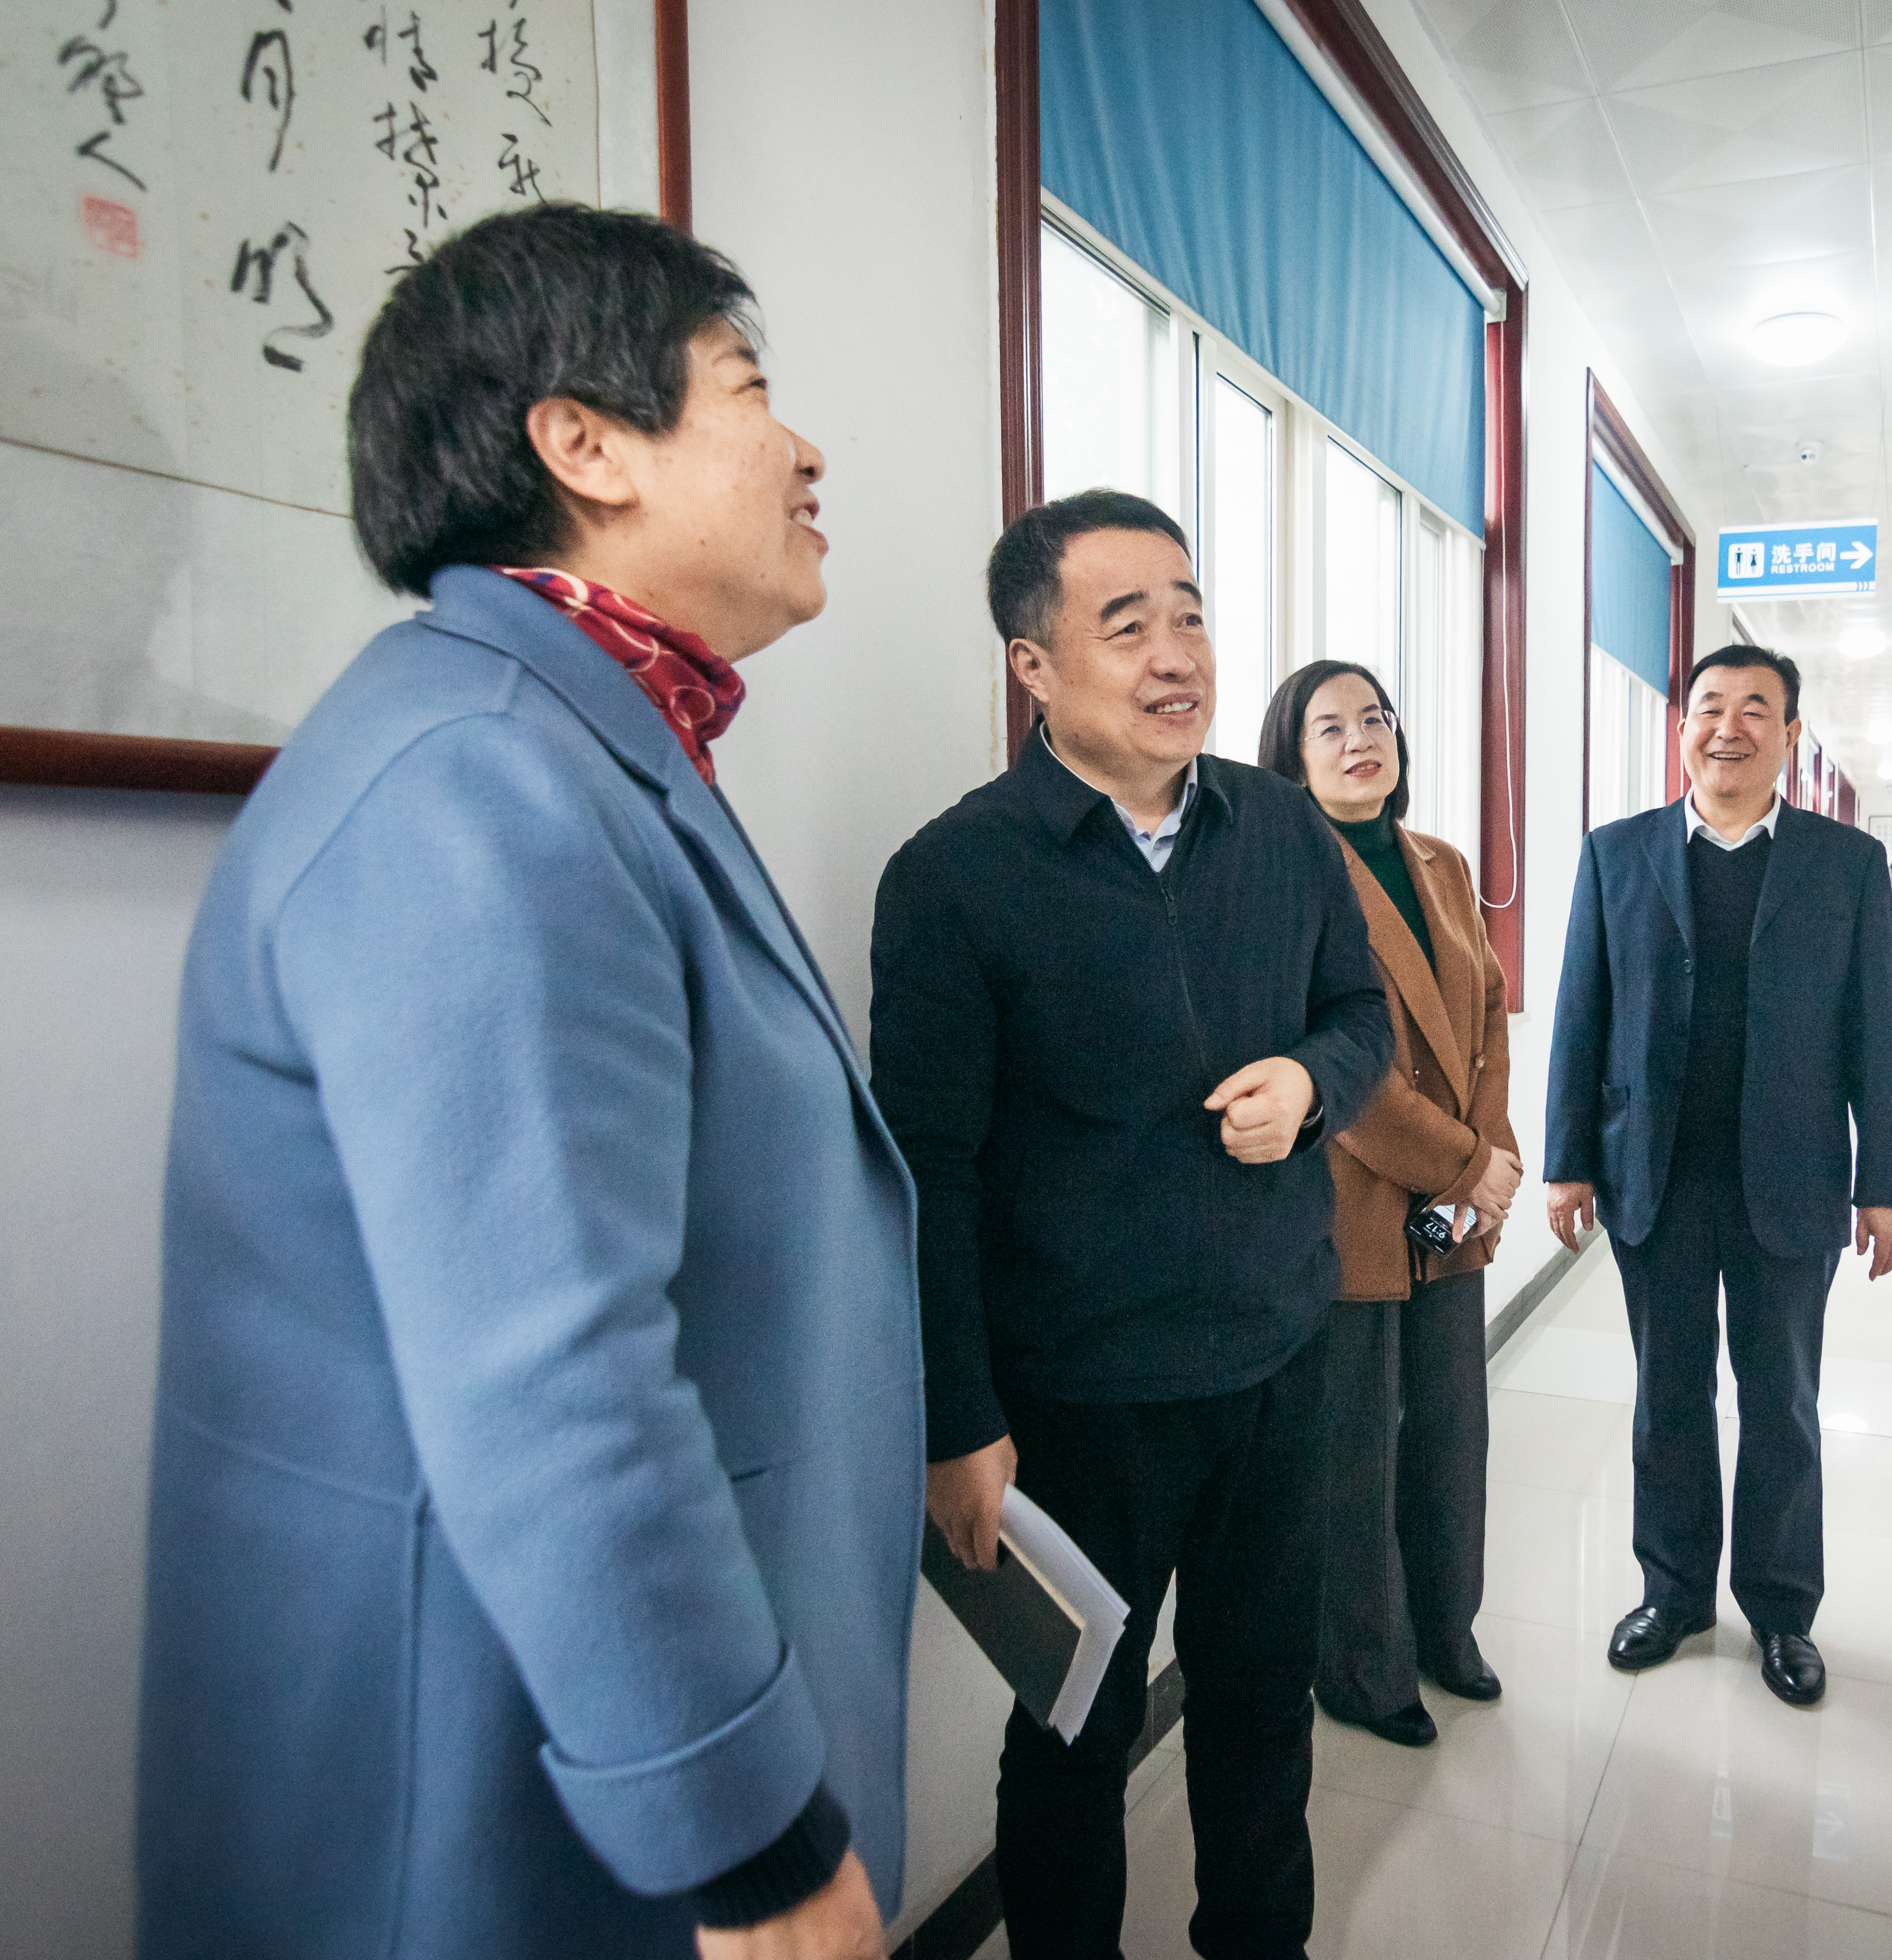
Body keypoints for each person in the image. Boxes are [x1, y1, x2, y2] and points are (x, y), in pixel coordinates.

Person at [136, 206, 916, 1960]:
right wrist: (756, 1840)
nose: (806, 449)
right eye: (750, 390)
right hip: (506, 1785)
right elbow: (555, 1380)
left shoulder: (576, 736)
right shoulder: (478, 776)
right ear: (583, 443)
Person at [870, 490, 1394, 1960]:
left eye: (1190, 613)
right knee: (1074, 1731)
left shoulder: (1282, 827)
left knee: (1258, 1701)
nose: (1177, 653)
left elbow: (1360, 1012)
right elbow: (925, 1170)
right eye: (1127, 624)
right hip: (1082, 1398)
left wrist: (1311, 1080)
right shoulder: (956, 875)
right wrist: (959, 1418)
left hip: (1277, 1356)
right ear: (1033, 665)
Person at [1542, 643, 1892, 1708]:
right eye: (1708, 706)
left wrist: (1885, 1182)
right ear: (1681, 730)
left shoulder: (1844, 864)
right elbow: (1579, 1015)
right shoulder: (1614, 854)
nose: (1728, 726)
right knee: (1666, 1396)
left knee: (1780, 1403)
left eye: (1756, 708)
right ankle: (1670, 1594)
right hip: (1652, 1179)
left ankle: (1781, 1610)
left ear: (1789, 735)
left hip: (1790, 1181)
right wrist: (1567, 1162)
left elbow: (1872, 1035)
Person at [1257, 660, 1521, 1751]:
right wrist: (1464, 1164)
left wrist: (1491, 1151)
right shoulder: (1284, 876)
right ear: (1291, 757)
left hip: (1448, 1206)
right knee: (1354, 1449)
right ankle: (1363, 1668)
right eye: (1328, 727)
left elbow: (1486, 1018)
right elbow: (1336, 1063)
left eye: (1373, 717)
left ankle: (1445, 1630)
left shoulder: (1439, 862)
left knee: (1450, 1425)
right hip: (1352, 1203)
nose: (1359, 738)